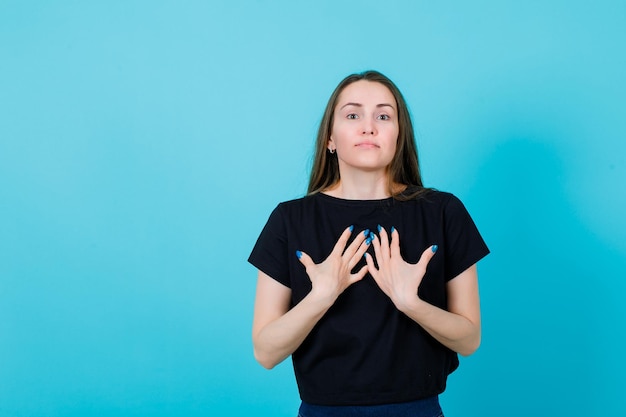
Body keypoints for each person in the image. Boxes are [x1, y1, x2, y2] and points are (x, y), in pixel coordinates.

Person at [248, 70, 489, 417]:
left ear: (398, 134)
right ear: (330, 138)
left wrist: (411, 302)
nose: (368, 126)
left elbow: (469, 340)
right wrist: (321, 295)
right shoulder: (290, 220)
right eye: (352, 114)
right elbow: (265, 352)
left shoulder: (443, 213)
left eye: (383, 115)